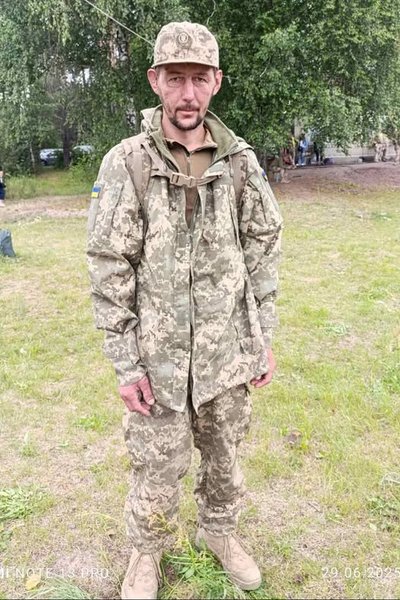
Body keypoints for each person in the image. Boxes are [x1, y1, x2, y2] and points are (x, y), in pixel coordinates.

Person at [87, 21, 282, 600]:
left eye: (199, 78)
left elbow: (264, 243)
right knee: (156, 464)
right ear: (156, 81)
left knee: (224, 457)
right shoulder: (127, 162)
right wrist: (127, 364)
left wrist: (262, 336)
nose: (188, 94)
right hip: (159, 361)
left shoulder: (239, 162)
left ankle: (219, 534)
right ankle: (146, 554)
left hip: (227, 354)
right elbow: (110, 264)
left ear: (216, 81)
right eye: (176, 79)